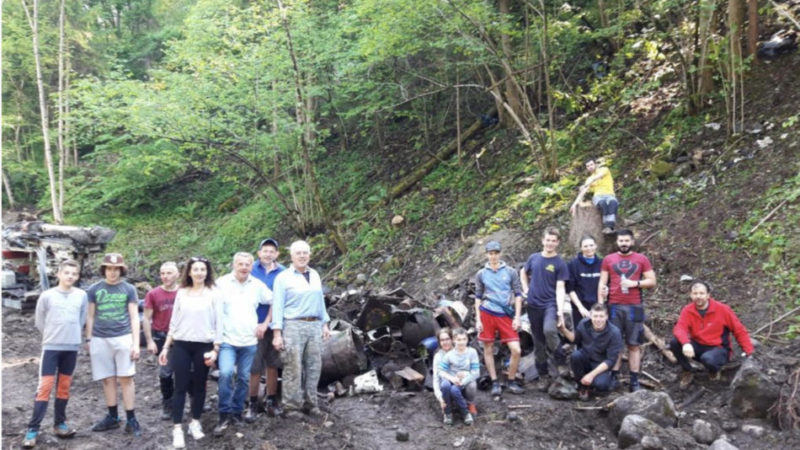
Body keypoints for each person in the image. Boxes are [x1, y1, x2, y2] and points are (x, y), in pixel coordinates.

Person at [22, 260, 88, 448]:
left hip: (71, 348)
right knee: (45, 387)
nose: (70, 276)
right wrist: (52, 336)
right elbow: (39, 321)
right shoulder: (47, 296)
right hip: (51, 347)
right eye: (66, 273)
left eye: (74, 274)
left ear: (77, 276)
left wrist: (73, 335)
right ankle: (33, 429)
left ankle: (59, 424)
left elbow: (81, 318)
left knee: (64, 387)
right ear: (58, 274)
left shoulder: (82, 295)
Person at [158, 256, 223, 448]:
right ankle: (177, 428)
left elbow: (220, 322)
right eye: (195, 269)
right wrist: (165, 346)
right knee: (180, 385)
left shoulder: (214, 293)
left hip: (204, 345)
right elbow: (174, 321)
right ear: (189, 272)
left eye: (203, 269)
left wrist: (216, 349)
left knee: (199, 387)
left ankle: (195, 422)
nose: (199, 273)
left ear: (207, 272)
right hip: (181, 344)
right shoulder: (182, 292)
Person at [213, 252, 272, 436]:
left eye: (247, 264)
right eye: (240, 264)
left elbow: (274, 301)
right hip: (227, 340)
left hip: (249, 340)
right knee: (226, 373)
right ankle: (224, 414)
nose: (244, 267)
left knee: (244, 378)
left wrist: (265, 323)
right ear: (233, 264)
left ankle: (237, 413)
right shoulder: (221, 283)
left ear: (251, 266)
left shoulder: (257, 285)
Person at [271, 240, 331, 419]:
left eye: (305, 252)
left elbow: (320, 300)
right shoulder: (283, 277)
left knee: (314, 366)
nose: (302, 256)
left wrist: (325, 323)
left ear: (310, 255)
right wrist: (277, 333)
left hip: (314, 325)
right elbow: (277, 306)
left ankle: (311, 404)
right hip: (293, 325)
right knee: (293, 366)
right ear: (291, 255)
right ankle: (292, 407)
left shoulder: (314, 275)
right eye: (298, 253)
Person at [85, 253, 141, 435]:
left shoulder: (129, 289)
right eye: (109, 268)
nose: (112, 272)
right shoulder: (94, 289)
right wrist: (88, 339)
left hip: (123, 337)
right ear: (104, 269)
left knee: (126, 378)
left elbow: (134, 316)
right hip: (100, 338)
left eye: (116, 269)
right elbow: (90, 315)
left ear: (121, 270)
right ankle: (112, 416)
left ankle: (131, 419)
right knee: (107, 378)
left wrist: (136, 343)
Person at [598, 229, 656, 392]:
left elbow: (652, 281)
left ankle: (634, 380)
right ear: (617, 242)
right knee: (615, 343)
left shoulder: (641, 259)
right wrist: (601, 304)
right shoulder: (608, 259)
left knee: (634, 344)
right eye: (621, 241)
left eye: (626, 241)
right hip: (614, 306)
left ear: (632, 242)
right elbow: (602, 282)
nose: (624, 243)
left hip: (635, 306)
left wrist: (635, 283)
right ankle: (614, 377)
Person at [670, 281, 754, 390]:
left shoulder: (722, 309)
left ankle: (714, 371)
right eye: (695, 294)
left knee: (708, 359)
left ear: (708, 295)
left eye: (701, 293)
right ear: (691, 295)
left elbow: (739, 331)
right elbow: (679, 328)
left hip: (719, 349)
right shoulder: (688, 310)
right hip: (698, 345)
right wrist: (686, 343)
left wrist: (749, 352)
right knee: (674, 342)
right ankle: (688, 370)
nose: (698, 296)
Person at [520, 227, 569, 391]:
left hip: (550, 304)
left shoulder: (559, 263)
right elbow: (523, 272)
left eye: (553, 241)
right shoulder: (534, 258)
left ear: (558, 243)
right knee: (538, 342)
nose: (550, 243)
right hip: (533, 304)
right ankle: (542, 375)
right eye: (548, 240)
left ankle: (561, 361)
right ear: (543, 240)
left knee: (549, 330)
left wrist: (560, 311)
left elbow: (561, 288)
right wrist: (526, 288)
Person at [474, 240, 525, 396]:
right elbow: (477, 297)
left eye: (496, 253)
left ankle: (510, 380)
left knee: (516, 349)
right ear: (487, 255)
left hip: (505, 314)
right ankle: (495, 381)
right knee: (488, 348)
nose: (494, 256)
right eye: (491, 253)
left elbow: (517, 295)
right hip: (487, 313)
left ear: (500, 253)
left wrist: (517, 317)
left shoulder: (510, 272)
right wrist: (478, 319)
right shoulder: (481, 274)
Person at [248, 238, 285, 420]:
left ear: (277, 254)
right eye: (265, 250)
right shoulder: (250, 269)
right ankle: (252, 403)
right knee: (254, 366)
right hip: (253, 326)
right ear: (259, 253)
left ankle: (271, 401)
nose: (268, 254)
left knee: (273, 365)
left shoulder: (284, 272)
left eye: (272, 251)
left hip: (276, 325)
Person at [557, 303, 623, 401]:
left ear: (606, 317)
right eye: (595, 316)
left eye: (601, 316)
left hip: (601, 365)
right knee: (576, 355)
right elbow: (575, 340)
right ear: (591, 316)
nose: (598, 320)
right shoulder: (583, 324)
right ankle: (582, 385)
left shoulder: (614, 332)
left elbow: (610, 360)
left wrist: (591, 375)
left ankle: (594, 381)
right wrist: (563, 329)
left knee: (602, 385)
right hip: (585, 359)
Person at [143, 261, 180, 420]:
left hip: (182, 336)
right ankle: (167, 403)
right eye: (162, 273)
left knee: (188, 371)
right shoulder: (153, 294)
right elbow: (146, 318)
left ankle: (192, 401)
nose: (165, 276)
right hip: (161, 336)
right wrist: (149, 340)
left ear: (177, 274)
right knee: (165, 373)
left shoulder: (184, 292)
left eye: (169, 273)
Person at [439, 328, 479, 426]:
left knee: (456, 389)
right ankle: (448, 412)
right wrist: (451, 378)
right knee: (445, 385)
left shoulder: (472, 352)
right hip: (452, 378)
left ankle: (465, 412)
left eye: (464, 339)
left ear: (467, 340)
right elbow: (441, 371)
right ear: (454, 340)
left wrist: (464, 379)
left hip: (463, 380)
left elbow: (476, 372)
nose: (461, 342)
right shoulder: (449, 355)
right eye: (459, 340)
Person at [569, 158, 619, 234]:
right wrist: (575, 203)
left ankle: (610, 226)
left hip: (609, 194)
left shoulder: (604, 169)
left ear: (595, 164)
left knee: (613, 203)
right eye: (588, 166)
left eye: (591, 164)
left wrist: (588, 183)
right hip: (598, 196)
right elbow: (583, 192)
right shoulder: (589, 179)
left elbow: (598, 176)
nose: (590, 167)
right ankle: (607, 226)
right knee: (603, 204)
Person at [566, 235, 604, 327]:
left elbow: (606, 285)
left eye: (591, 245)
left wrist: (600, 307)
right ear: (581, 248)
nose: (589, 248)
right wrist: (581, 308)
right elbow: (570, 289)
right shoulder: (573, 265)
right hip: (580, 308)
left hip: (598, 307)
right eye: (585, 246)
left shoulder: (602, 263)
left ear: (596, 246)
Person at [431, 328, 455, 416]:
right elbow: (436, 379)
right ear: (439, 342)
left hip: (460, 384)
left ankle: (468, 404)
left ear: (452, 339)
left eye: (447, 339)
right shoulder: (438, 357)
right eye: (442, 340)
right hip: (445, 386)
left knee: (471, 384)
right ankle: (447, 410)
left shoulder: (460, 351)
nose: (445, 342)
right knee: (445, 384)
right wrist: (440, 397)